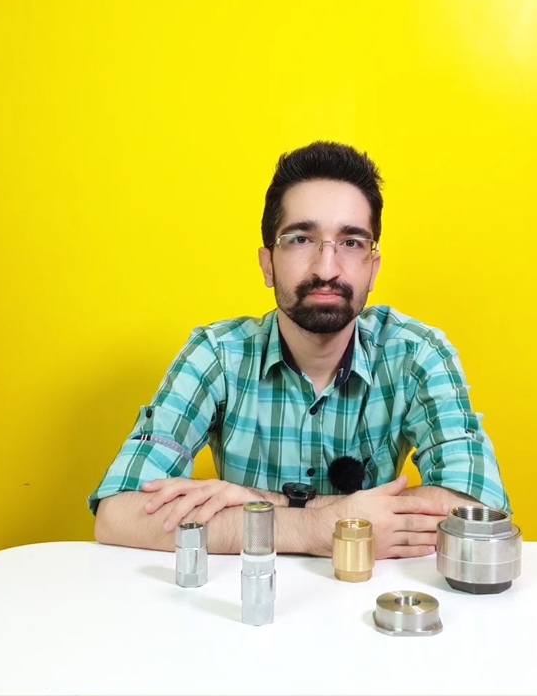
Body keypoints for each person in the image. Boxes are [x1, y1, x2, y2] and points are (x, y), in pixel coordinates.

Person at [89, 141, 508, 560]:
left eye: (351, 242)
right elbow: (119, 513)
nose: (326, 268)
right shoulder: (217, 355)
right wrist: (316, 528)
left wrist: (264, 505)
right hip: (249, 595)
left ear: (373, 268)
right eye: (301, 239)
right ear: (267, 264)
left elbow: (478, 507)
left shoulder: (416, 354)